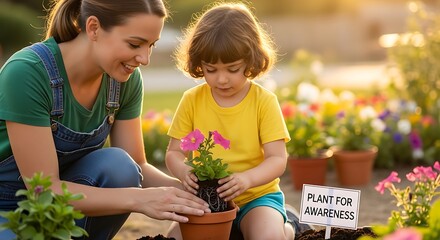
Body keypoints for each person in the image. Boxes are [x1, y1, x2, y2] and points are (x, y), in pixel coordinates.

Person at [0, 0, 211, 239]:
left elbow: (138, 166)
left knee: (119, 165)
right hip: (10, 208)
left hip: (64, 206)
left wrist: (190, 192)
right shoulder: (28, 73)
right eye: (135, 44)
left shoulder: (123, 80)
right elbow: (44, 190)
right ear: (93, 28)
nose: (145, 58)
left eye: (151, 45)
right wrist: (138, 199)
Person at [165, 2, 313, 240]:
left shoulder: (263, 101)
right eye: (211, 69)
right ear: (199, 64)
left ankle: (288, 226)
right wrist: (184, 172)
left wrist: (247, 179)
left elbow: (277, 158)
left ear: (250, 61)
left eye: (232, 69)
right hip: (206, 200)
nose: (222, 79)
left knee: (268, 236)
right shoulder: (192, 99)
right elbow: (173, 152)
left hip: (257, 197)